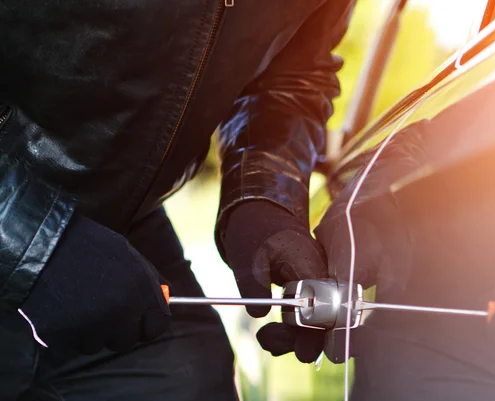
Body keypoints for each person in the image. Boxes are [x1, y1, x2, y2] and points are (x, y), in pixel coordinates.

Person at [0, 1, 355, 399]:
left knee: (193, 380)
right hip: (16, 205)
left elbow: (293, 76)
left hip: (123, 232)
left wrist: (265, 196)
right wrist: (27, 236)